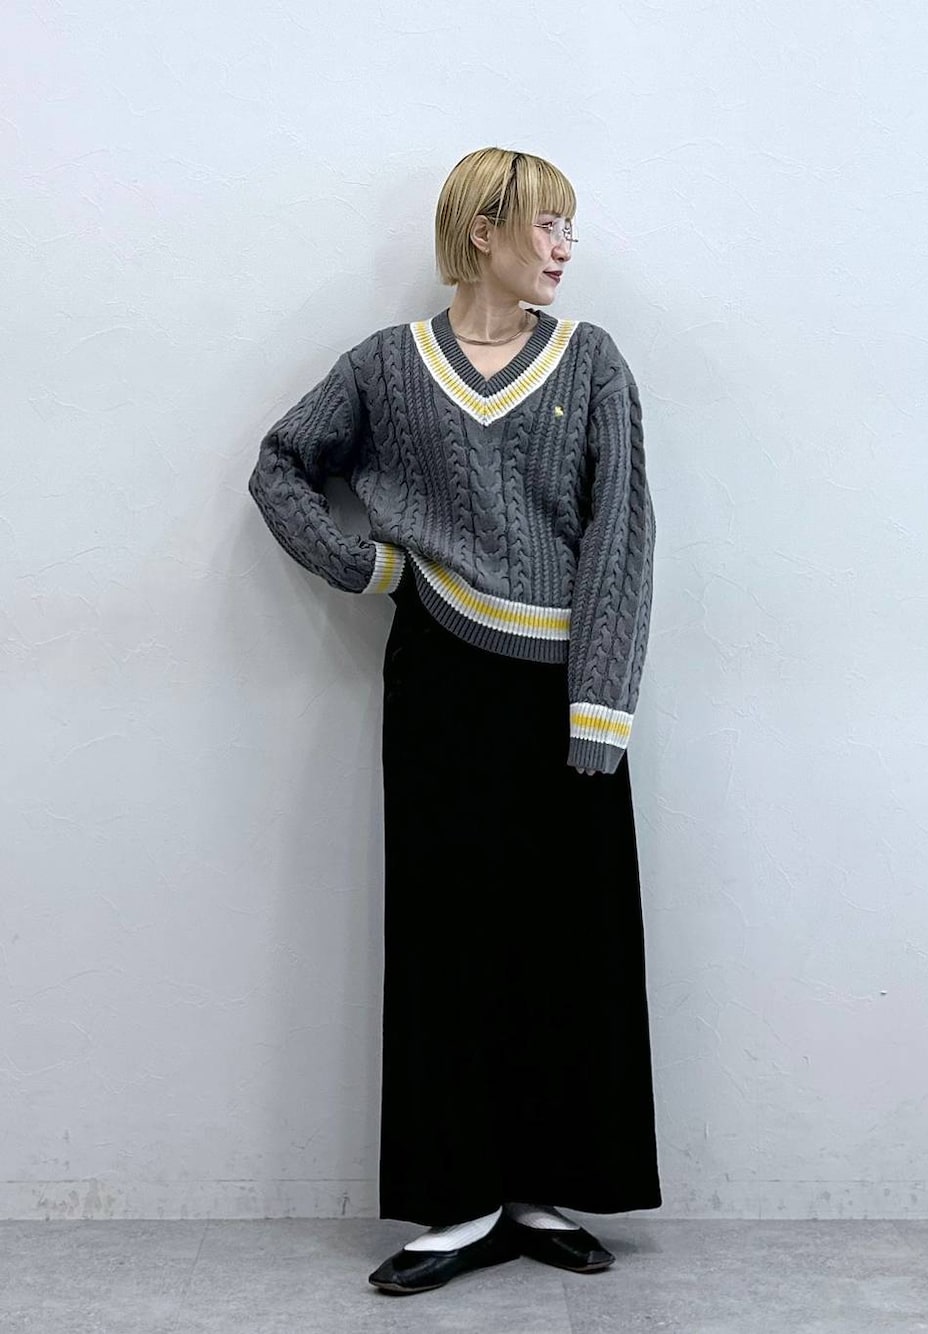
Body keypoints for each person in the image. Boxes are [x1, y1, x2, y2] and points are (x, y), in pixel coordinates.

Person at [247, 146, 661, 1297]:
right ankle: (460, 1197)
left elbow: (621, 532)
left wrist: (601, 703)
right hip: (439, 674)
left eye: (569, 227)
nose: (564, 247)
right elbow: (281, 466)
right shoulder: (386, 366)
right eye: (546, 225)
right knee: (446, 934)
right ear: (483, 230)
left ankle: (543, 1186)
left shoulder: (593, 361)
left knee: (570, 941)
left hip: (564, 687)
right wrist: (369, 565)